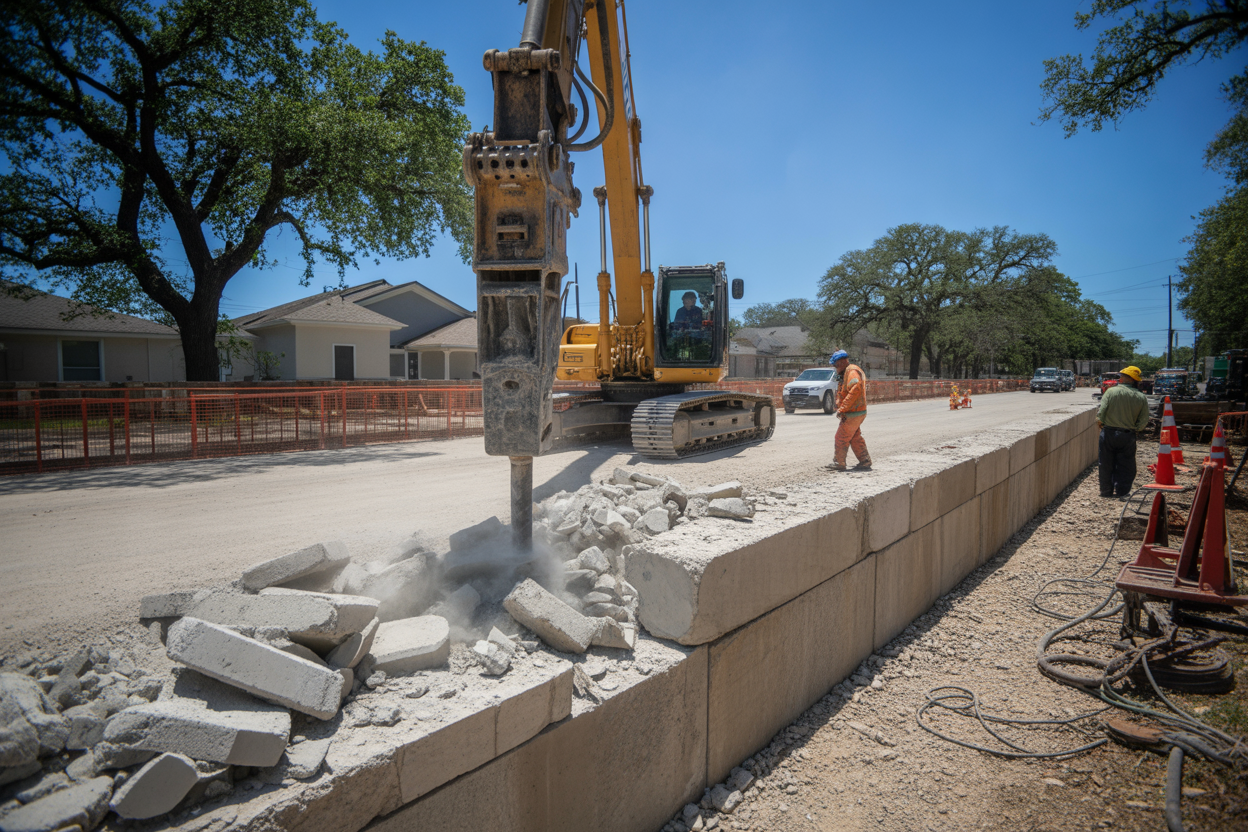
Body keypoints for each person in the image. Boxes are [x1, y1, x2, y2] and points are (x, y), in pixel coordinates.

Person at [1096, 364, 1150, 498]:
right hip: (1127, 435)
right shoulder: (1141, 397)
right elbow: (1143, 421)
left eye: (1121, 377)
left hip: (1108, 432)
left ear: (1126, 379)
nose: (1119, 379)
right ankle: (1122, 492)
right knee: (1126, 465)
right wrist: (1135, 429)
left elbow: (1101, 413)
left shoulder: (1111, 392)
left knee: (1105, 463)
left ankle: (1106, 492)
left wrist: (1101, 424)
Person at [825, 350, 872, 471]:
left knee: (841, 437)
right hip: (856, 411)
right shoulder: (848, 371)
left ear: (841, 362)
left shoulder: (851, 372)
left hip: (853, 412)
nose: (835, 368)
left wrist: (843, 408)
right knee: (855, 437)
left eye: (835, 365)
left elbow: (855, 389)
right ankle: (865, 461)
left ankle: (839, 463)